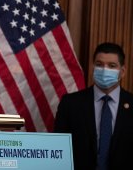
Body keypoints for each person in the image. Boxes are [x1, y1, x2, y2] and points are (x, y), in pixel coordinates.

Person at [54, 42, 133, 170]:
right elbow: (58, 149)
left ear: (122, 72)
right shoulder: (70, 104)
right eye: (99, 64)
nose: (104, 70)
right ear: (92, 68)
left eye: (112, 66)